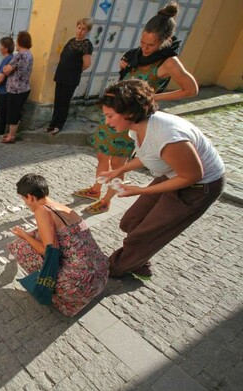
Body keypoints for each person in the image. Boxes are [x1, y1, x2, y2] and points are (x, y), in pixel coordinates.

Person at [74, 2, 198, 214]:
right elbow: (129, 80)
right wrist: (124, 68)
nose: (144, 48)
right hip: (115, 115)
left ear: (163, 42)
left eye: (150, 45)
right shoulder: (137, 54)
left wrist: (154, 96)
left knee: (118, 163)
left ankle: (107, 200)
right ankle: (96, 189)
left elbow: (191, 89)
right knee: (103, 155)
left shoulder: (169, 62)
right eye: (142, 42)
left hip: (131, 118)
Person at [97, 79, 225, 280]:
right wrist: (117, 171)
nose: (107, 122)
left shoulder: (167, 135)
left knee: (145, 234)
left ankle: (114, 269)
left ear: (129, 113)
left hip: (199, 187)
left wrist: (140, 190)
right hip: (176, 174)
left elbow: (192, 176)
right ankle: (139, 258)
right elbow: (148, 154)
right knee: (132, 221)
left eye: (110, 116)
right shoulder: (140, 125)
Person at [7, 174, 109, 317]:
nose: (25, 203)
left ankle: (57, 294)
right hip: (101, 274)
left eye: (23, 199)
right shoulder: (60, 207)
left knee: (20, 246)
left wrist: (23, 235)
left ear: (30, 197)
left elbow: (47, 251)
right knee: (36, 234)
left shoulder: (41, 210)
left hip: (78, 285)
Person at [48, 17, 93, 135]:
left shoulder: (86, 44)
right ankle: (52, 124)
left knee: (64, 102)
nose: (80, 31)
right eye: (79, 28)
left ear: (87, 31)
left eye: (84, 29)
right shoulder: (71, 41)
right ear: (76, 27)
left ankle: (59, 125)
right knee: (57, 101)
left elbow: (87, 64)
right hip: (61, 75)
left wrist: (76, 71)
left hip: (71, 78)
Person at [0, 31, 34, 144]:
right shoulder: (29, 54)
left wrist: (5, 67)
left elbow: (6, 70)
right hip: (24, 87)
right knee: (16, 111)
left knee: (12, 113)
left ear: (20, 41)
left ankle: (11, 136)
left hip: (15, 89)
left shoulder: (19, 55)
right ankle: (11, 133)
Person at [0, 37, 15, 137]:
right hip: (4, 91)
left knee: (1, 114)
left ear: (6, 48)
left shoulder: (8, 59)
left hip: (4, 91)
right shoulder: (8, 58)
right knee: (1, 114)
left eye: (1, 45)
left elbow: (1, 78)